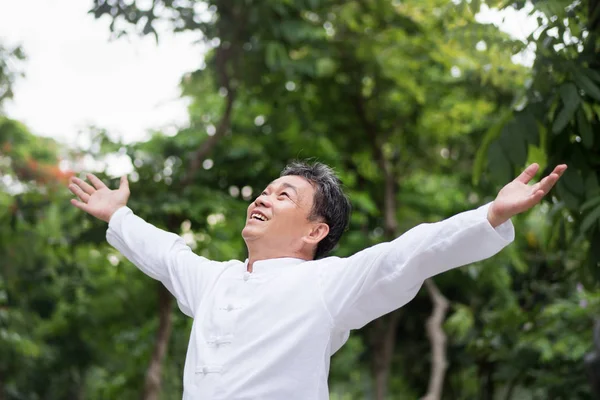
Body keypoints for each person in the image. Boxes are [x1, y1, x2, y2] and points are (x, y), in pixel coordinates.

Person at [68, 161, 566, 400]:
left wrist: (490, 215)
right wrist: (118, 214)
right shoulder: (214, 280)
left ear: (315, 230)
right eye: (263, 191)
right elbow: (165, 254)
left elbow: (409, 254)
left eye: (283, 195)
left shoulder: (328, 283)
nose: (262, 198)